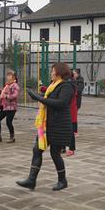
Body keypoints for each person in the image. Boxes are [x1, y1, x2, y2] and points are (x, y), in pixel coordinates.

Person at [16, 62, 75, 191]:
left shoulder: (67, 86)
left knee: (55, 154)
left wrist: (39, 98)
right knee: (37, 150)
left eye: (53, 71)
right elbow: (50, 98)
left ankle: (62, 181)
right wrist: (37, 95)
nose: (51, 73)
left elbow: (61, 103)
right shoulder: (53, 86)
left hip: (59, 126)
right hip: (47, 125)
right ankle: (31, 180)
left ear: (59, 73)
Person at [0, 70, 19, 143]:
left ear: (13, 77)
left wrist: (6, 96)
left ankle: (12, 137)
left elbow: (15, 95)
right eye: (7, 75)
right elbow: (2, 92)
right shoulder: (7, 85)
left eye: (9, 75)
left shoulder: (15, 85)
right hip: (4, 107)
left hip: (11, 108)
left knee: (8, 122)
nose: (7, 77)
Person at [65, 72, 78, 156]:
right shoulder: (70, 82)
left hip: (70, 109)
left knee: (70, 131)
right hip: (69, 109)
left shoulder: (69, 84)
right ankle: (63, 147)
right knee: (65, 130)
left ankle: (71, 148)